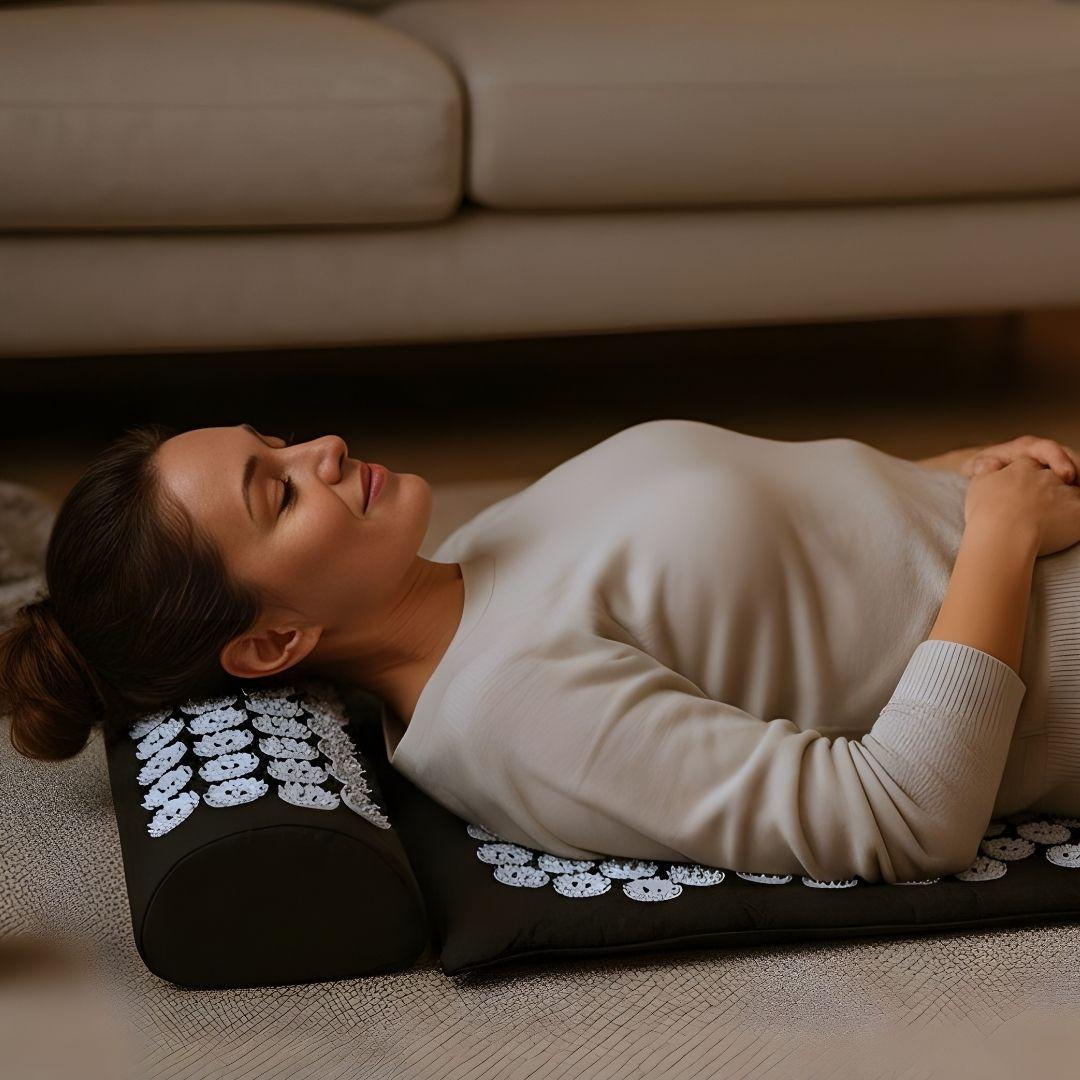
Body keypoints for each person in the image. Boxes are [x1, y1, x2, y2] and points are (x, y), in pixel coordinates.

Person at [4, 419, 1080, 885]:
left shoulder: (470, 557)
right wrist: (997, 535)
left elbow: (789, 555)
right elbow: (902, 818)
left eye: (273, 442)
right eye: (277, 492)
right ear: (276, 639)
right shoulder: (514, 715)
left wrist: (960, 472)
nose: (320, 448)